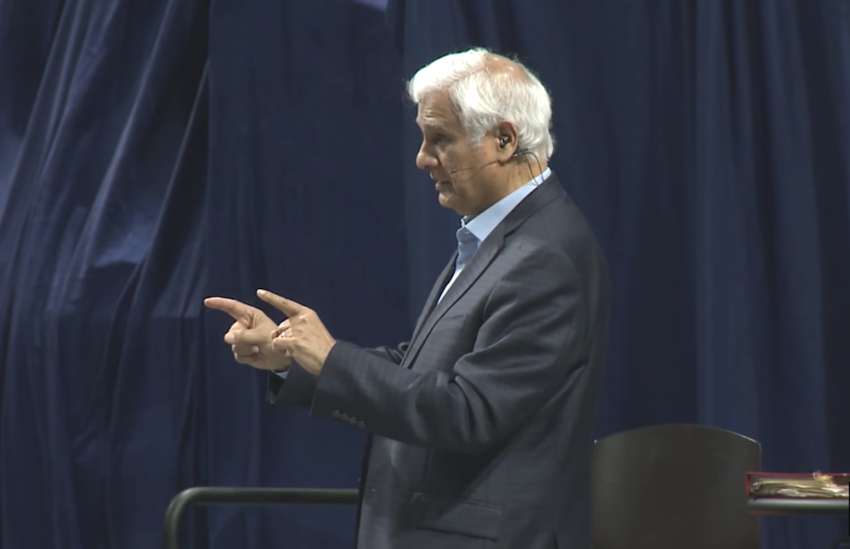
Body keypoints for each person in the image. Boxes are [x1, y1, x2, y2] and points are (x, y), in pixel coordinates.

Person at [205, 47, 610, 549]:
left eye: (440, 139)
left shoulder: (546, 255)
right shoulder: (503, 238)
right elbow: (424, 369)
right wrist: (294, 357)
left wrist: (333, 359)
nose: (422, 158)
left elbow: (468, 410)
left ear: (504, 140)